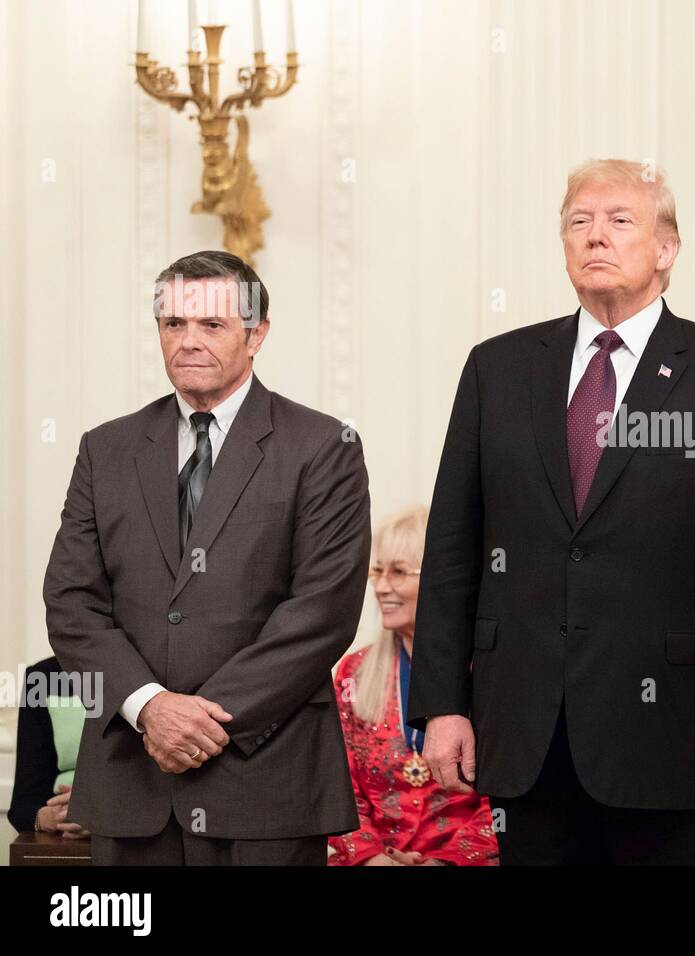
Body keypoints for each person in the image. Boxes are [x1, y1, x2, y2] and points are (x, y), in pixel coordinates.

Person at [407, 159, 695, 865]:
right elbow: (451, 552)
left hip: (682, 746)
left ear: (666, 250)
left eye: (620, 221)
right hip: (527, 738)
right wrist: (442, 705)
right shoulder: (496, 369)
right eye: (578, 223)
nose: (596, 237)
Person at [44, 250, 371, 865]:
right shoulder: (105, 449)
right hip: (131, 779)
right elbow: (70, 602)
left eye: (212, 325)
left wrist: (201, 722)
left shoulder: (324, 447)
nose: (188, 341)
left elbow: (321, 612)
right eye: (174, 324)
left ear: (257, 334)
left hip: (266, 781)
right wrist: (150, 708)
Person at [329, 507, 498, 866]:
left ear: (440, 580)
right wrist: (373, 858)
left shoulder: (488, 672)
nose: (382, 587)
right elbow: (338, 787)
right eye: (377, 571)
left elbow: (504, 797)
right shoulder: (352, 673)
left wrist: (446, 862)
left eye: (399, 572)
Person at [7, 656, 88, 840]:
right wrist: (51, 817)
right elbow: (23, 807)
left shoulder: (153, 677)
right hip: (63, 838)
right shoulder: (43, 677)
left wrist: (105, 815)